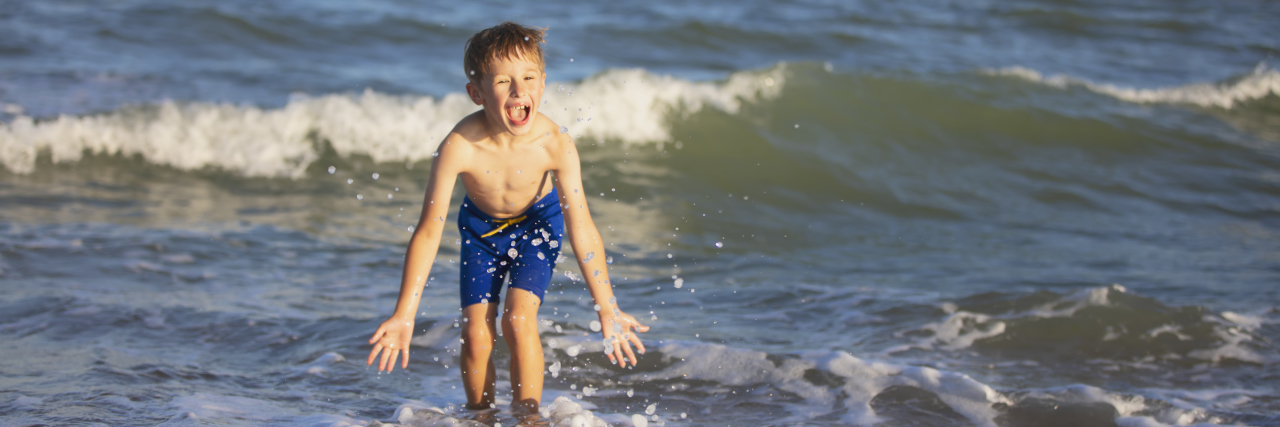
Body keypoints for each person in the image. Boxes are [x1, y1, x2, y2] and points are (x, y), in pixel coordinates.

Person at [364, 21, 649, 413]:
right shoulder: (459, 146)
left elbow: (581, 226)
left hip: (538, 225)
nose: (519, 91)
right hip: (480, 232)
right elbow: (429, 231)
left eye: (529, 77)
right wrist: (404, 314)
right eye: (503, 82)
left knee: (517, 320)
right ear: (476, 93)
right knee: (477, 335)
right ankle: (479, 414)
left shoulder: (556, 144)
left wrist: (607, 305)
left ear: (543, 84)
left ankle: (528, 415)